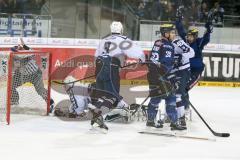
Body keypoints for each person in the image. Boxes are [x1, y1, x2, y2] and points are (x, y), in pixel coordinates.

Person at [93, 21, 145, 129]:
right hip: (111, 67)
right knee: (112, 95)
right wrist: (142, 58)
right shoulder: (123, 39)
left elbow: (96, 56)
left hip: (99, 67)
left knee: (103, 94)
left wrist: (100, 70)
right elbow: (135, 51)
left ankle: (101, 111)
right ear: (121, 30)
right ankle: (99, 116)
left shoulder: (104, 40)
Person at [146, 24, 186, 130]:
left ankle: (151, 120)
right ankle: (173, 122)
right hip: (162, 76)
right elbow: (165, 65)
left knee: (157, 98)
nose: (174, 35)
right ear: (166, 34)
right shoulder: (168, 46)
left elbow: (156, 60)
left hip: (153, 75)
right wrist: (172, 76)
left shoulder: (158, 43)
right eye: (172, 33)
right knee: (170, 98)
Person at [10, 38, 54, 112]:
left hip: (35, 74)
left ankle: (51, 103)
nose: (19, 47)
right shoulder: (14, 55)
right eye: (17, 47)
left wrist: (23, 46)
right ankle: (14, 102)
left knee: (40, 90)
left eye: (20, 47)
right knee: (11, 85)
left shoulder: (28, 52)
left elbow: (23, 55)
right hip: (23, 75)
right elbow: (14, 63)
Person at [175, 7, 213, 93]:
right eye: (188, 36)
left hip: (196, 71)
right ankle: (184, 104)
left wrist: (209, 27)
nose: (188, 38)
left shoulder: (199, 42)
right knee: (180, 88)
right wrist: (178, 19)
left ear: (195, 37)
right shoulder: (186, 40)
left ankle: (184, 104)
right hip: (187, 69)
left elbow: (206, 38)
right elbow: (180, 30)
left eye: (191, 36)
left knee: (185, 88)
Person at [171, 35, 195, 128]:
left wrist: (181, 57)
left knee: (177, 95)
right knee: (170, 95)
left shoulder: (177, 42)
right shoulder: (164, 44)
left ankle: (181, 120)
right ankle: (171, 116)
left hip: (182, 71)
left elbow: (192, 52)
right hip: (173, 72)